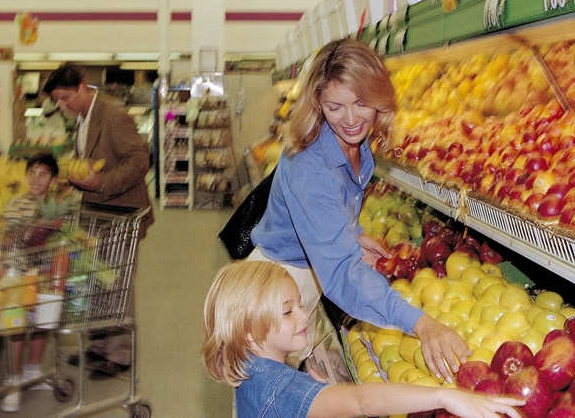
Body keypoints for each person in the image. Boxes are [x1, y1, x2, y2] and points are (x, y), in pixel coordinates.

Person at [250, 39, 469, 382]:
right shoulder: (311, 166)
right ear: (317, 104)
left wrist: (351, 236)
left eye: (361, 103)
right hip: (273, 295)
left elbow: (324, 219)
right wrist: (421, 324)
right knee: (271, 399)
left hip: (305, 280)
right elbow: (340, 272)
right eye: (335, 107)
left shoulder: (355, 145)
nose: (351, 120)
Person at [202, 261, 523, 418]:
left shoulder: (251, 367)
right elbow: (361, 401)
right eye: (287, 312)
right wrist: (444, 397)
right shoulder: (283, 389)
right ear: (249, 331)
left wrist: (317, 395)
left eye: (300, 303)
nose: (304, 315)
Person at [42, 63, 153, 379]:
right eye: (58, 101)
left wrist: (101, 182)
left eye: (66, 98)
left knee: (116, 284)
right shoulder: (82, 118)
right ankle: (100, 346)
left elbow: (139, 161)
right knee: (97, 281)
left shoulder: (113, 116)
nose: (63, 106)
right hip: (96, 215)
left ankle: (120, 354)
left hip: (121, 215)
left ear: (82, 87)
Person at [0, 153, 61, 413]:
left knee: (42, 321)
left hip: (44, 272)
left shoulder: (57, 207)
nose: (36, 179)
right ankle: (13, 379)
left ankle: (32, 371)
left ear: (53, 180)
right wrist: (26, 232)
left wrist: (53, 229)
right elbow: (5, 240)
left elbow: (65, 238)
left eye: (43, 174)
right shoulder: (14, 204)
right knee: (16, 324)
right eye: (32, 173)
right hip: (17, 273)